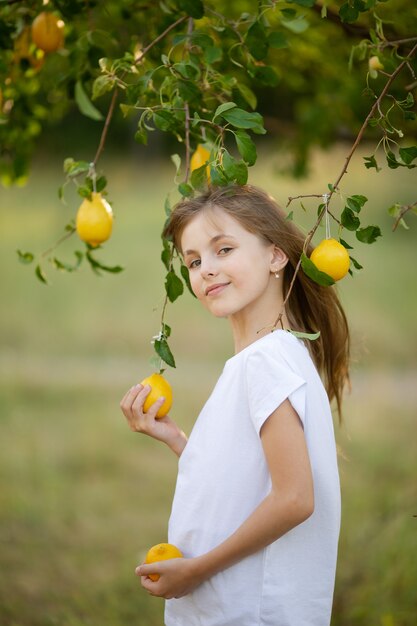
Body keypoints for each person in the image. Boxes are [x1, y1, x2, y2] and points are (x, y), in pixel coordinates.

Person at [120, 184, 350, 626]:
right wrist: (178, 440)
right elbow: (245, 482)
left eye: (223, 249)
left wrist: (195, 571)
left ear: (276, 256)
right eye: (194, 260)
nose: (206, 269)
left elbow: (295, 499)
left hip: (250, 611)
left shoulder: (265, 361)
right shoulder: (267, 357)